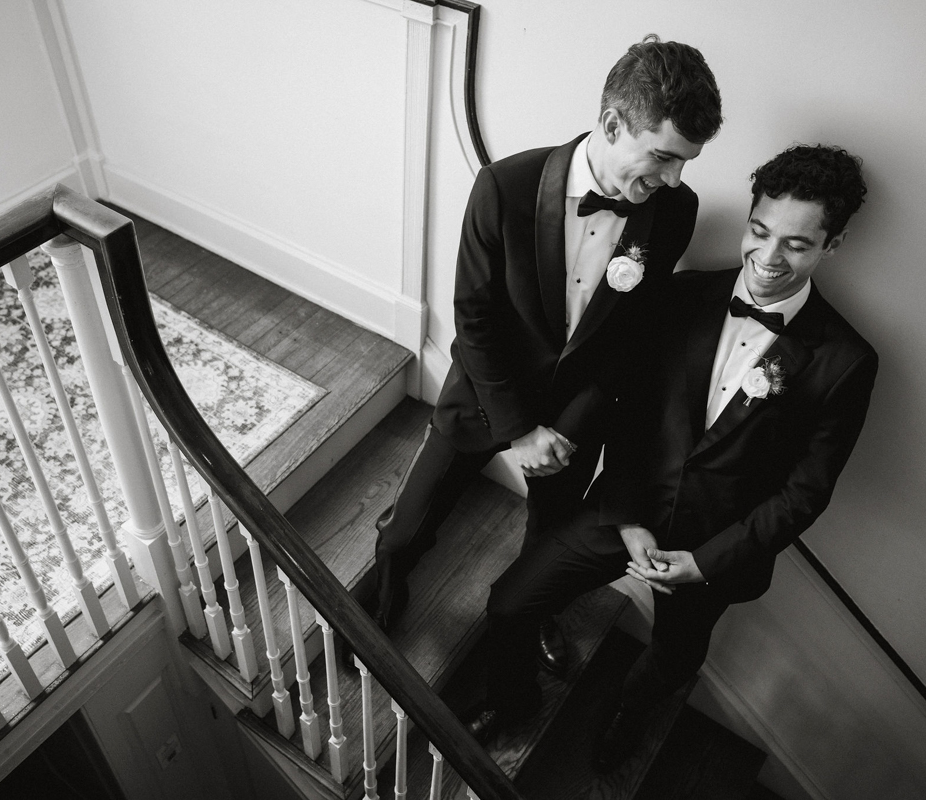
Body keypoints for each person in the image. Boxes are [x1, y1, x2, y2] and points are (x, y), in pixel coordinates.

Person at [471, 144, 878, 766]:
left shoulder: (846, 361)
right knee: (510, 601)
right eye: (760, 231)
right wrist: (629, 516)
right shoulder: (679, 296)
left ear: (833, 245)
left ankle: (620, 732)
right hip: (627, 509)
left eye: (796, 244)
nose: (767, 258)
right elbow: (628, 408)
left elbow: (806, 493)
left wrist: (706, 563)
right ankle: (514, 698)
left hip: (717, 548)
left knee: (672, 661)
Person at [351, 36, 723, 679]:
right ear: (612, 123)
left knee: (547, 544)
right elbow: (473, 315)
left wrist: (570, 425)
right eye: (663, 157)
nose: (673, 179)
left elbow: (633, 333)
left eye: (684, 163)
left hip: (578, 418)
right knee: (410, 526)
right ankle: (385, 590)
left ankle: (534, 615)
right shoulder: (507, 185)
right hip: (486, 396)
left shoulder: (675, 210)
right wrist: (518, 428)